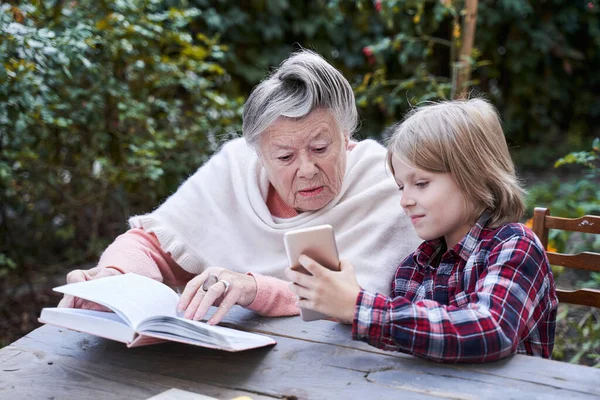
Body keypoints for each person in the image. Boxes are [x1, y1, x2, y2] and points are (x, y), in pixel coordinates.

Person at [58, 50, 421, 325]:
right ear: (259, 155)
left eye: (321, 148)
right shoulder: (235, 166)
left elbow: (361, 299)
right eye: (284, 157)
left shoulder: (386, 180)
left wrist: (253, 287)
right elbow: (153, 243)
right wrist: (112, 277)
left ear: (346, 136)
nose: (307, 169)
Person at [285, 98, 558, 363]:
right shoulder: (415, 267)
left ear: (475, 176)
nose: (405, 201)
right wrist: (343, 307)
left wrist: (358, 307)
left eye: (422, 183)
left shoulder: (515, 247)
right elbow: (407, 342)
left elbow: (490, 331)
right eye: (401, 187)